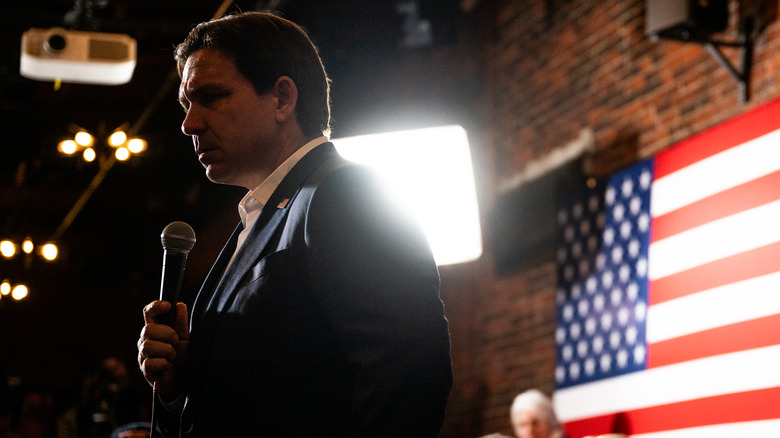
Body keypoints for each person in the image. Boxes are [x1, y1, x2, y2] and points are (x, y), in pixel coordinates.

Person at [136, 10, 452, 437]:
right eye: (186, 104)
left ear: (283, 98)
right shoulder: (261, 217)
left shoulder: (344, 194)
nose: (189, 123)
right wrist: (178, 388)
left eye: (211, 96)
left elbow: (409, 376)